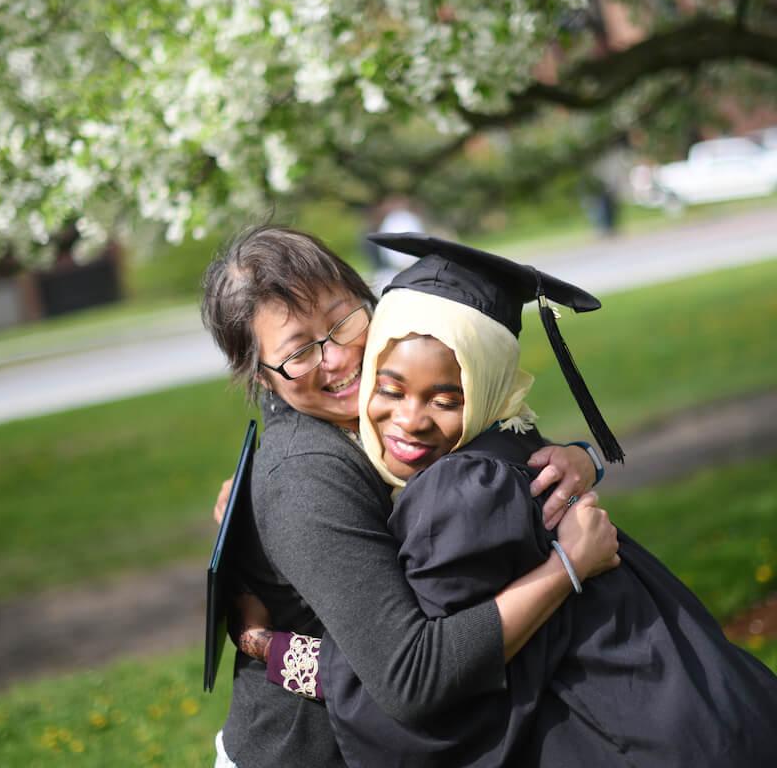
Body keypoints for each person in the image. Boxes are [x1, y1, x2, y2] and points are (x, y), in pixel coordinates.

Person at [258, 234, 777, 767]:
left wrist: (280, 654)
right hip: (704, 703)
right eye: (390, 390)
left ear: (485, 386)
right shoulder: (504, 437)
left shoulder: (458, 498)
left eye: (446, 399)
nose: (410, 419)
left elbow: (427, 684)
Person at [201, 224, 617, 768]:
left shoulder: (387, 411)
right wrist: (567, 566)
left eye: (343, 320)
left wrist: (581, 456)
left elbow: (486, 434)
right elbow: (411, 678)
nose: (337, 358)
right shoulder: (308, 475)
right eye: (299, 351)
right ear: (259, 373)